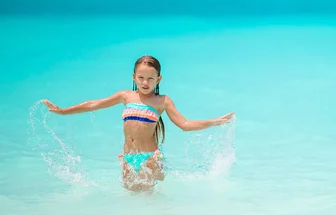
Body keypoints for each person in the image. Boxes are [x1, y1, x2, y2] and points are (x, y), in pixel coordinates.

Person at [42, 55, 234, 191]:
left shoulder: (162, 101)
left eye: (150, 79)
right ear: (134, 77)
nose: (145, 83)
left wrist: (215, 122)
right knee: (131, 202)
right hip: (127, 157)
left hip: (150, 157)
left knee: (151, 201)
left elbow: (184, 124)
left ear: (158, 79)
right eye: (141, 78)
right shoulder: (125, 96)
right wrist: (63, 111)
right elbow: (94, 104)